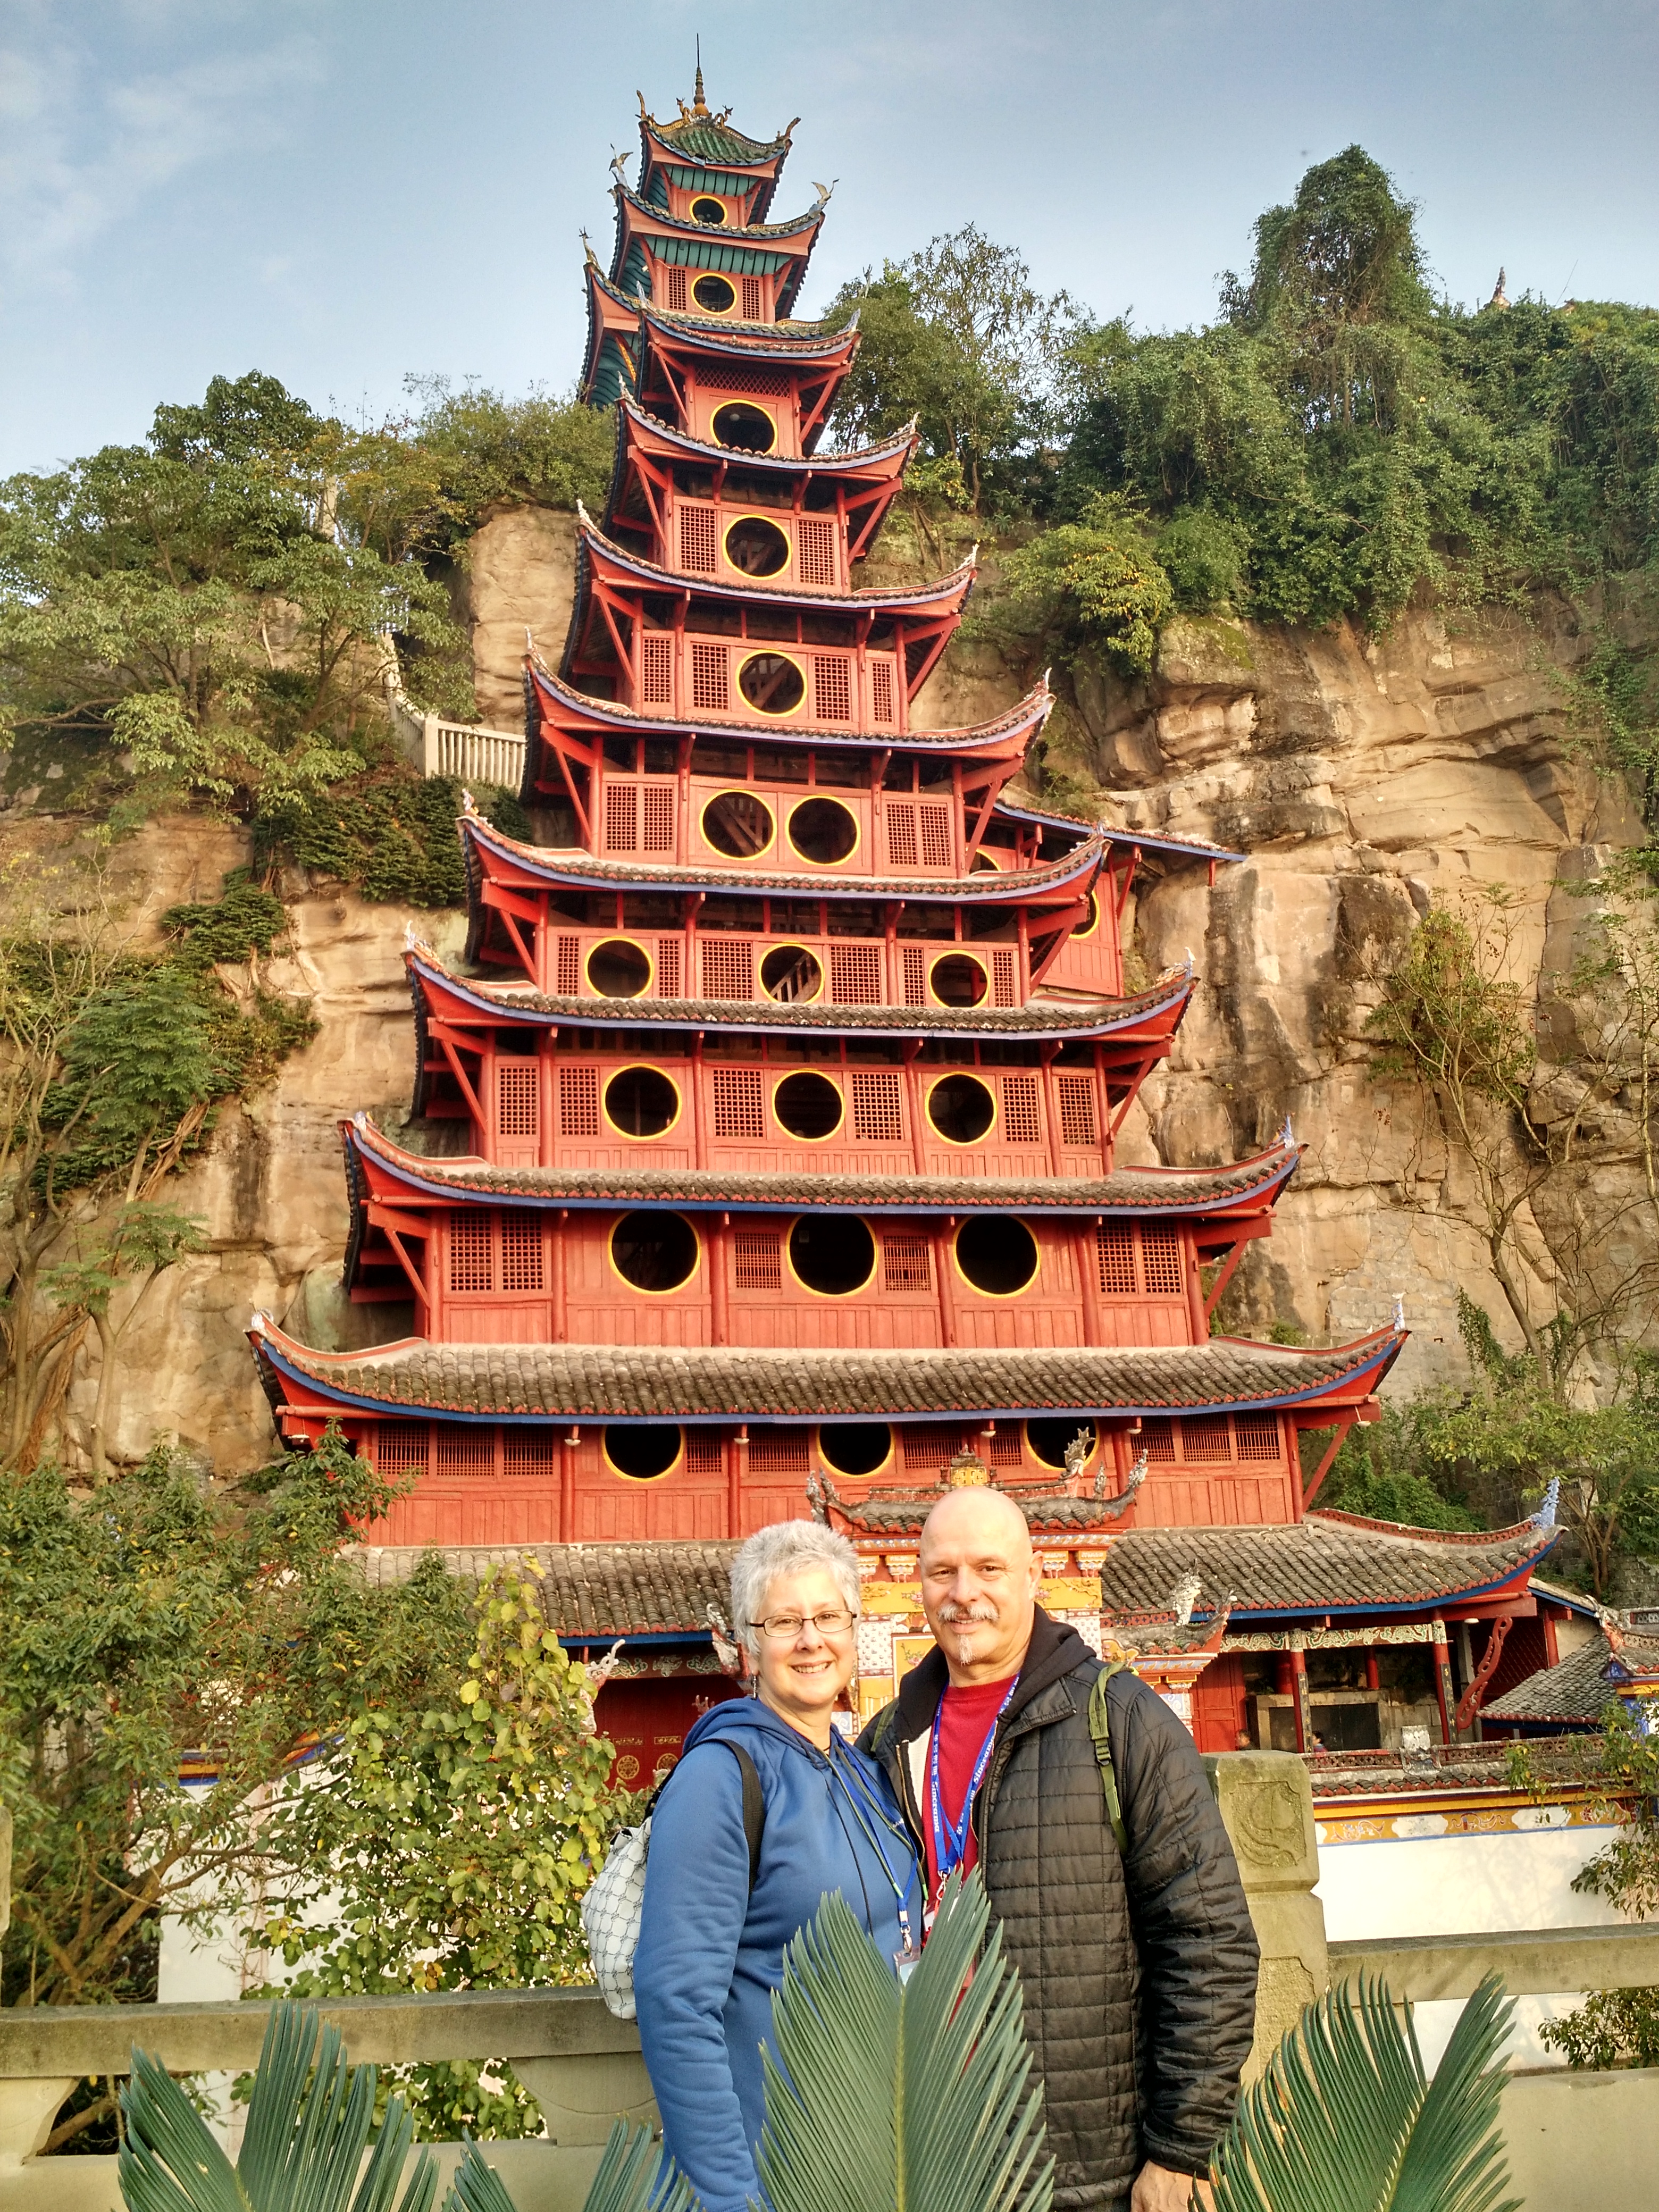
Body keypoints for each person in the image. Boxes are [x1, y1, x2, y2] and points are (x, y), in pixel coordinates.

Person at [861, 1486, 1259, 2212]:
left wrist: (1181, 2148)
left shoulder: (1120, 1719)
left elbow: (1210, 1940)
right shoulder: (888, 1740)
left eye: (989, 1569)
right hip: (931, 2160)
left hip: (1087, 2170)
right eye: (941, 1572)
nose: (963, 1594)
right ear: (915, 1580)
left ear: (1032, 1576)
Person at [635, 1521, 921, 2212]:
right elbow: (677, 2001)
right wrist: (731, 2197)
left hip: (869, 2169)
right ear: (747, 1646)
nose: (810, 1639)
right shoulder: (722, 1778)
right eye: (784, 1621)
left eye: (828, 1616)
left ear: (855, 1631)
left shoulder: (865, 1772)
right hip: (774, 2172)